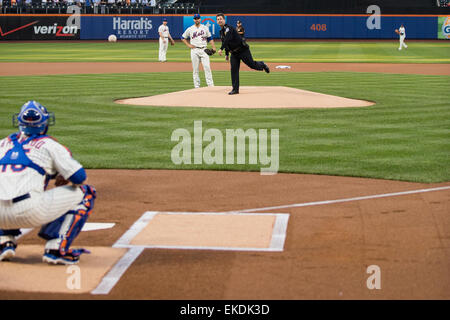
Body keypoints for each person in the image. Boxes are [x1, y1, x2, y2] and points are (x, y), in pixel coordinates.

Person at [0, 101, 96, 265]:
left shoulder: (2, 143)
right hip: (29, 211)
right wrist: (62, 177)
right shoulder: (50, 145)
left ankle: (4, 241)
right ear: (44, 123)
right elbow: (80, 177)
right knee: (86, 192)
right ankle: (56, 248)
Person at [216, 13, 269, 95]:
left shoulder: (228, 28)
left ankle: (262, 64)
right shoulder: (221, 32)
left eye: (221, 19)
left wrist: (221, 49)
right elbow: (225, 42)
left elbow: (227, 39)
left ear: (224, 20)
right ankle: (235, 89)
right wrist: (226, 54)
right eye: (218, 19)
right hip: (234, 53)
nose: (219, 20)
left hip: (242, 50)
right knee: (234, 70)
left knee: (252, 65)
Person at [181, 13, 217, 88]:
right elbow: (182, 37)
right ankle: (197, 86)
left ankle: (210, 85)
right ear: (193, 20)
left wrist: (213, 47)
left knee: (207, 67)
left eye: (198, 18)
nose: (196, 20)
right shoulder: (190, 28)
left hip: (204, 49)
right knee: (195, 69)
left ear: (200, 19)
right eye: (195, 18)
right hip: (194, 50)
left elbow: (210, 38)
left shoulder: (205, 28)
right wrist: (189, 45)